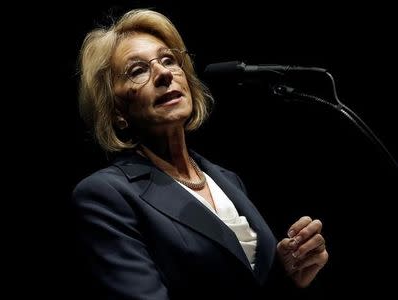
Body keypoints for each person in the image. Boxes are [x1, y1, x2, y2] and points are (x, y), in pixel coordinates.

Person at [73, 8, 328, 299]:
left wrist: (288, 274)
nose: (164, 73)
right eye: (138, 70)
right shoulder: (106, 196)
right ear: (118, 112)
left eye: (168, 60)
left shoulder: (227, 180)